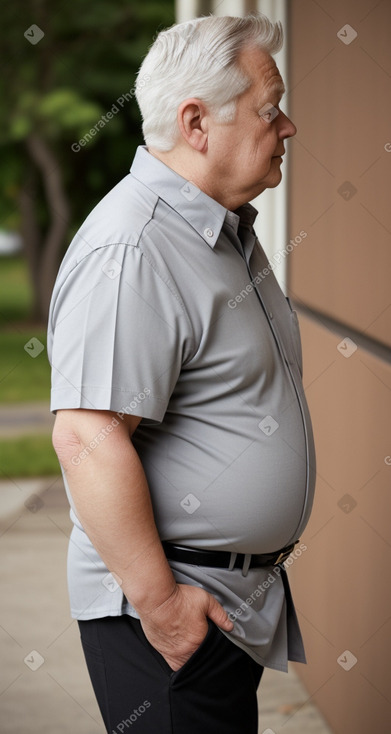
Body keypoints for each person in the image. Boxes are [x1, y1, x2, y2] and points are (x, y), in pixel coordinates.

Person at [48, 13, 316, 734]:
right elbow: (87, 436)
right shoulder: (135, 248)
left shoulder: (219, 232)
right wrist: (163, 608)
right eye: (268, 109)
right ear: (196, 122)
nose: (286, 126)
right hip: (168, 615)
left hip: (222, 605)